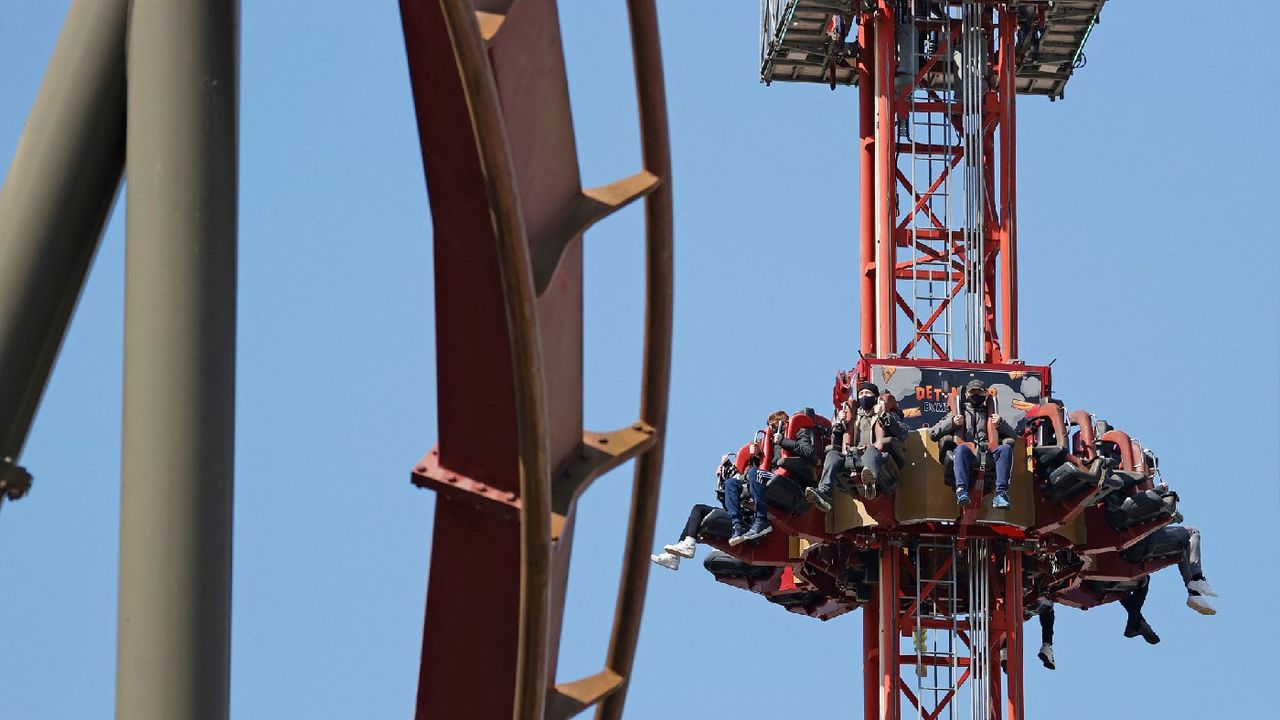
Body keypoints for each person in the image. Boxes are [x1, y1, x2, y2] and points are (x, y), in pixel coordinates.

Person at [807, 382, 907, 510]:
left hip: (876, 456)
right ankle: (824, 493)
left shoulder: (885, 413)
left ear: (875, 397)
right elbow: (837, 442)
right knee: (832, 455)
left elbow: (903, 432)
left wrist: (885, 416)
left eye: (868, 393)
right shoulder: (853, 417)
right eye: (861, 393)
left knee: (871, 450)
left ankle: (870, 482)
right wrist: (839, 425)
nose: (864, 396)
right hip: (852, 456)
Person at [929, 379, 1016, 509]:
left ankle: (1001, 493)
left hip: (988, 452)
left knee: (1005, 448)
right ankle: (961, 490)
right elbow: (933, 433)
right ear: (967, 395)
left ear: (985, 395)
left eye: (979, 392)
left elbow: (1013, 436)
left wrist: (1001, 424)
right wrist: (952, 423)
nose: (976, 395)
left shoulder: (991, 415)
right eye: (973, 392)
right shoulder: (959, 413)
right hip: (968, 454)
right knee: (961, 449)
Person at [651, 453, 740, 571]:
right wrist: (722, 477)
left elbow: (738, 486)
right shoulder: (731, 482)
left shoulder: (743, 478)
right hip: (733, 513)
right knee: (698, 511)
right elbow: (727, 501)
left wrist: (728, 468)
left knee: (699, 509)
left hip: (741, 518)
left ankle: (686, 547)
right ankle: (675, 555)